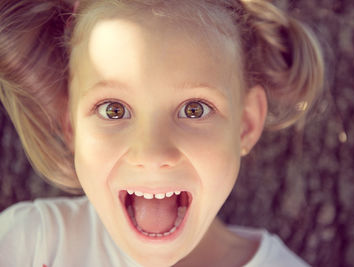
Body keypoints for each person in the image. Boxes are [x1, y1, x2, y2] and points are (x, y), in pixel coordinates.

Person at [0, 0, 324, 266]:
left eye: (194, 109)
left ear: (246, 124)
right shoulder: (32, 245)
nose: (152, 155)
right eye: (113, 110)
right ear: (71, 125)